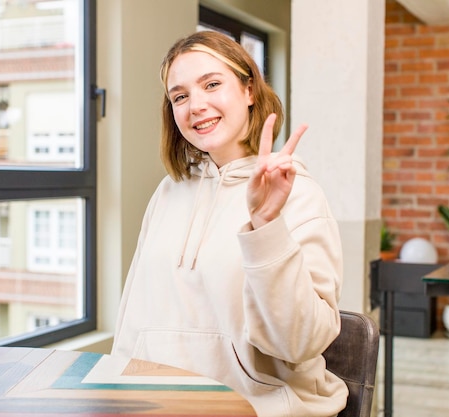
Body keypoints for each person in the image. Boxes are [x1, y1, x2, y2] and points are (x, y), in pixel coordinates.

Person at [111, 30, 347, 417]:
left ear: (249, 90)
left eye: (212, 84)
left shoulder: (299, 194)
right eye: (180, 96)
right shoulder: (169, 191)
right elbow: (133, 321)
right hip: (161, 405)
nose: (196, 105)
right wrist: (115, 394)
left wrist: (266, 225)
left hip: (260, 405)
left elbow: (302, 342)